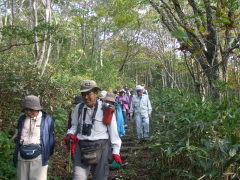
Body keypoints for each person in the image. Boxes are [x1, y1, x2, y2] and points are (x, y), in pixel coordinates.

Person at [66, 80, 122, 180]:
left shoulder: (106, 109)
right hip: (81, 146)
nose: (86, 97)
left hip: (101, 146)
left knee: (100, 177)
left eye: (89, 93)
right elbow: (74, 126)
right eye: (83, 94)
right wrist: (70, 134)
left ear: (96, 93)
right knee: (78, 177)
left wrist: (116, 152)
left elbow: (113, 132)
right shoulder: (78, 108)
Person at [13, 95, 55, 180]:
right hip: (22, 155)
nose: (29, 112)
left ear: (38, 109)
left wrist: (46, 153)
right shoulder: (22, 119)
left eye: (31, 110)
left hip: (39, 156)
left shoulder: (46, 119)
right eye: (26, 109)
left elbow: (51, 139)